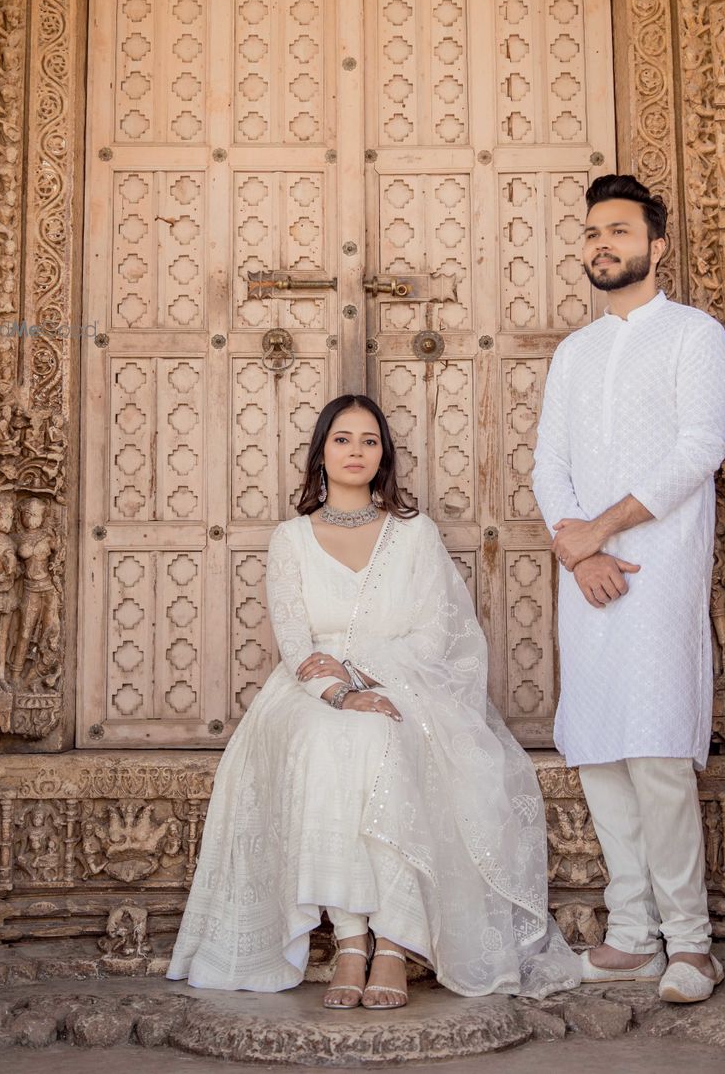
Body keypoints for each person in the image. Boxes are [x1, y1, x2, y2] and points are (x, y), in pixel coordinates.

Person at [168, 394, 580, 1007]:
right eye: (342, 439)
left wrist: (365, 677)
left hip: (406, 684)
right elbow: (295, 642)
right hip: (308, 691)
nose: (355, 450)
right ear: (321, 453)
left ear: (383, 454)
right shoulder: (291, 539)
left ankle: (390, 941)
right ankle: (351, 940)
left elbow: (437, 636)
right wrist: (336, 691)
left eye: (368, 440)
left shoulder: (414, 535)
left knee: (379, 734)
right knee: (330, 737)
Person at [532, 174, 725, 1005]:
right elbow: (549, 464)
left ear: (658, 245)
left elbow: (698, 450)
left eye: (617, 230)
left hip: (658, 570)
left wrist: (603, 530)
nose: (600, 244)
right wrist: (578, 553)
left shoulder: (694, 336)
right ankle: (631, 935)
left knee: (656, 752)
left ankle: (691, 944)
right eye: (590, 233)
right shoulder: (573, 352)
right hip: (588, 576)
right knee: (598, 751)